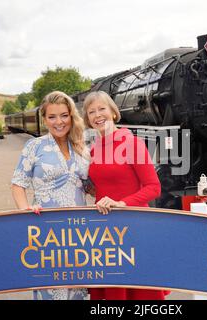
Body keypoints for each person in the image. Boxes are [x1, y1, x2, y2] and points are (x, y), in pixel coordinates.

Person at [82, 91, 167, 300]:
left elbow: (153, 187)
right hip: (104, 226)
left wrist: (121, 203)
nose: (97, 115)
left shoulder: (132, 143)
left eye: (102, 108)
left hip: (133, 224)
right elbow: (103, 183)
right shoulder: (93, 149)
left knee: (136, 290)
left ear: (113, 112)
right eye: (91, 112)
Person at [11, 91, 90, 300]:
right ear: (44, 119)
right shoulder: (35, 146)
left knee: (77, 287)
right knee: (51, 286)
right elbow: (18, 183)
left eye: (64, 115)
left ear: (72, 116)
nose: (59, 122)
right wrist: (24, 209)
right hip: (47, 230)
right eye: (52, 117)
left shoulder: (81, 146)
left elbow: (90, 185)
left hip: (79, 231)